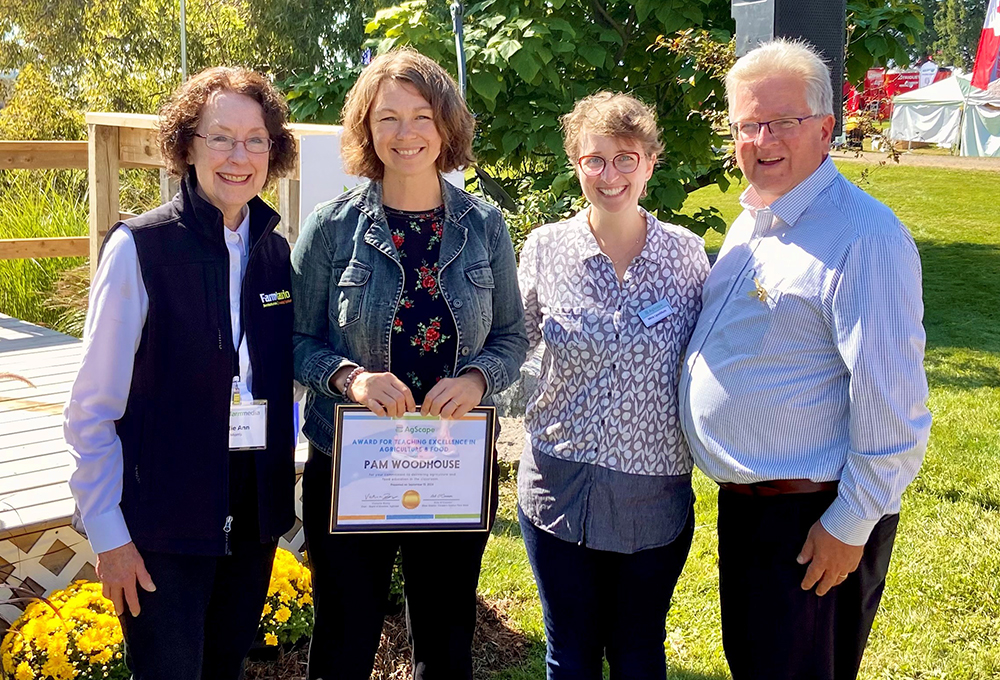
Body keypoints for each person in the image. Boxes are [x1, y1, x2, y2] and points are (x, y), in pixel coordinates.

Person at [679, 39, 932, 680]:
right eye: (746, 124)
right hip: (753, 510)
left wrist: (849, 523)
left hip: (812, 519)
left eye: (781, 122)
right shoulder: (754, 220)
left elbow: (892, 400)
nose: (761, 139)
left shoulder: (864, 238)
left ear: (825, 128)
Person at [290, 48, 527, 680]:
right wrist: (349, 378)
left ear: (446, 126)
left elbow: (511, 337)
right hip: (351, 461)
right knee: (345, 632)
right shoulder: (331, 228)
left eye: (421, 116)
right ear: (366, 128)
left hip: (453, 458)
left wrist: (478, 379)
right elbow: (293, 339)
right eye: (387, 117)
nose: (406, 133)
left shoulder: (485, 228)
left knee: (446, 636)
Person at [64, 66, 298, 680]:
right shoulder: (139, 249)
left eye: (255, 139)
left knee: (225, 668)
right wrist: (108, 533)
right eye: (220, 137)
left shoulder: (276, 253)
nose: (238, 156)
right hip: (162, 520)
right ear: (186, 145)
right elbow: (92, 407)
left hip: (249, 515)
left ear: (273, 149)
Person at [517, 92, 710, 680]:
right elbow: (514, 348)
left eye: (626, 159)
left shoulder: (687, 256)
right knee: (570, 654)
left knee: (637, 652)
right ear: (575, 163)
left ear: (651, 164)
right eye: (595, 160)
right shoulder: (546, 250)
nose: (610, 175)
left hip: (652, 497)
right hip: (557, 488)